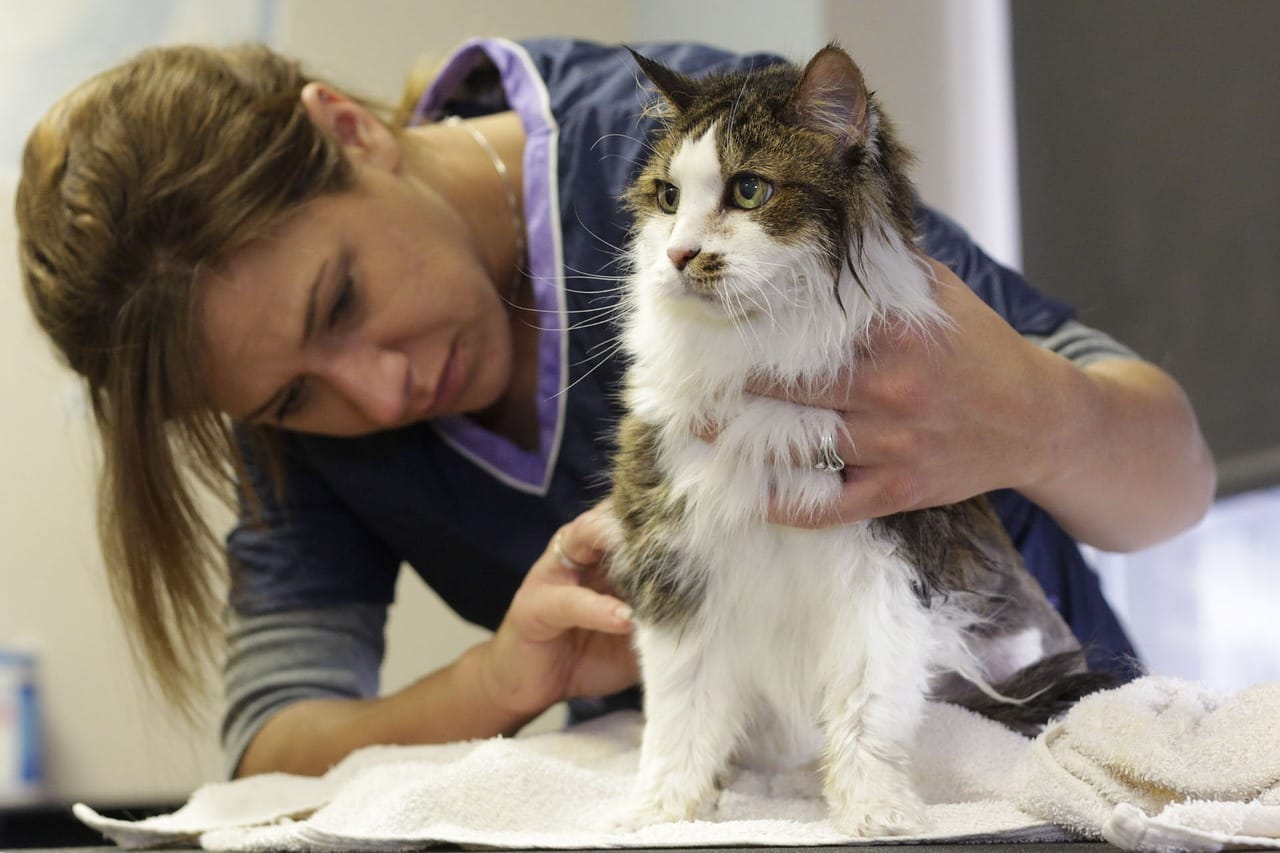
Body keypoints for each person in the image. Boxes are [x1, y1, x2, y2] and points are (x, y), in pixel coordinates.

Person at [15, 37, 1216, 780]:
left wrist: (1036, 415)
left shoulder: (691, 155)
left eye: (342, 299)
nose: (377, 391)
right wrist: (501, 679)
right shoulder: (287, 409)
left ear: (347, 131)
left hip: (1042, 747)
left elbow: (1173, 482)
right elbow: (272, 748)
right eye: (291, 393)